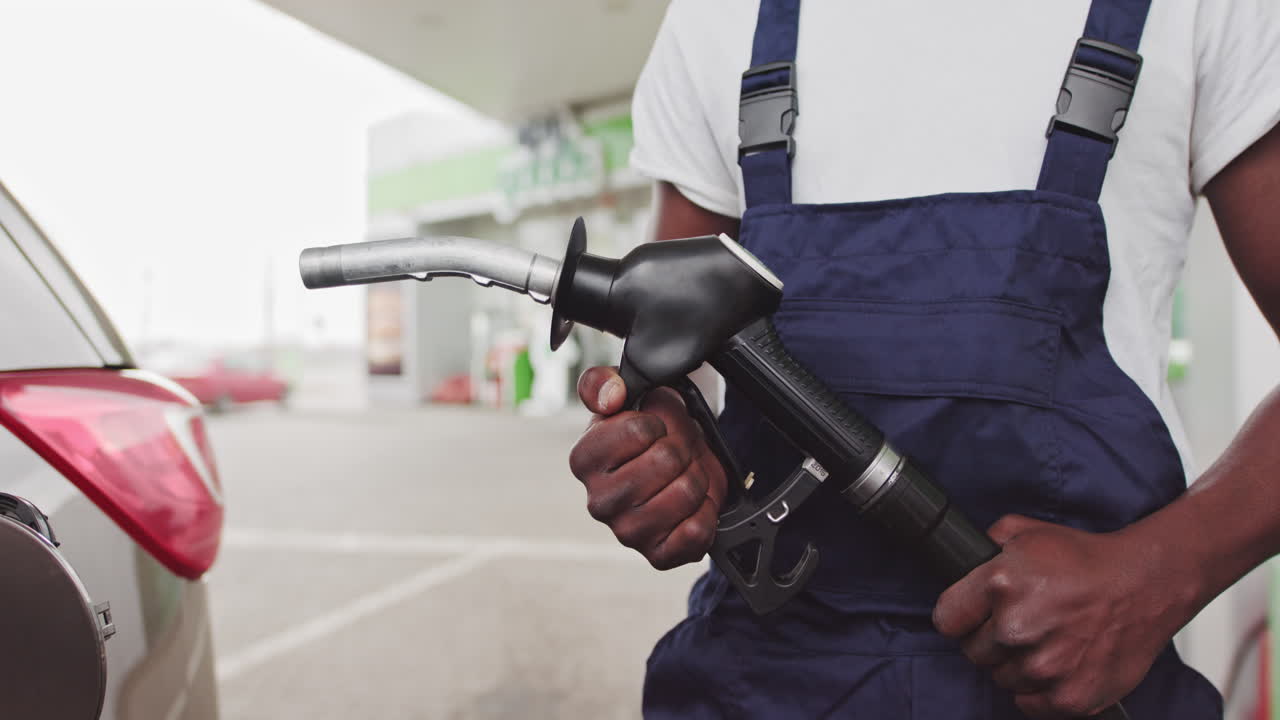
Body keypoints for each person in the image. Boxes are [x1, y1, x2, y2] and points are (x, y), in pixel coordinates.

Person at [568, 0, 1280, 717]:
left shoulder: (1201, 10)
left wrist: (1155, 577)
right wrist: (663, 456)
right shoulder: (719, 18)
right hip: (766, 682)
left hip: (1077, 687)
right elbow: (677, 359)